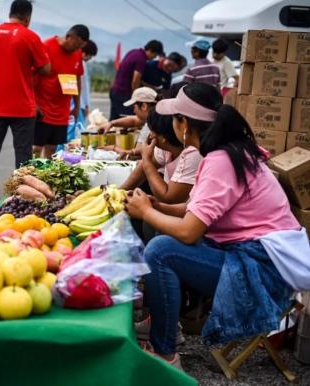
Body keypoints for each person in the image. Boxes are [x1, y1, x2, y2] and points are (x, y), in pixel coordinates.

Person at [125, 83, 309, 370]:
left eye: (174, 118)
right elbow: (193, 210)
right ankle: (164, 327)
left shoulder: (220, 160)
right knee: (165, 236)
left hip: (263, 271)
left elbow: (189, 230)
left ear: (184, 124)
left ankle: (165, 353)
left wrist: (147, 213)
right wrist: (156, 206)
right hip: (257, 257)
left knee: (161, 250)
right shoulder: (225, 153)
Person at [0, 0, 50, 208]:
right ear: (28, 17)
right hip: (23, 107)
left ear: (11, 13)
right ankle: (22, 196)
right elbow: (45, 68)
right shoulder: (30, 36)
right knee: (23, 153)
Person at [120, 109, 202, 204]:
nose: (150, 136)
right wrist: (120, 192)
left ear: (163, 138)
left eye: (152, 131)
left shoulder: (193, 154)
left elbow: (168, 197)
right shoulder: (166, 147)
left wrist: (146, 159)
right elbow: (144, 167)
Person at [34, 25, 89, 159]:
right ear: (69, 36)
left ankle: (45, 177)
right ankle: (29, 174)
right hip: (43, 108)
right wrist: (33, 103)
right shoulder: (46, 46)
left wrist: (76, 106)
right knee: (36, 147)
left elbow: (77, 80)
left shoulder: (76, 54)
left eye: (80, 47)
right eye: (76, 46)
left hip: (62, 110)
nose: (77, 50)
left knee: (52, 147)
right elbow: (32, 75)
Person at [109, 40, 163, 120]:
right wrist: (137, 98)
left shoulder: (133, 52)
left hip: (115, 91)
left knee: (114, 119)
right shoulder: (141, 59)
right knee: (127, 119)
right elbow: (136, 80)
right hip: (123, 93)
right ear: (151, 51)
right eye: (155, 56)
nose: (153, 59)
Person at [99, 87, 157, 155]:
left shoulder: (151, 124)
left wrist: (115, 149)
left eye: (134, 107)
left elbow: (139, 153)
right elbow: (134, 120)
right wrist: (111, 123)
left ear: (144, 106)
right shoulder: (154, 117)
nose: (134, 111)